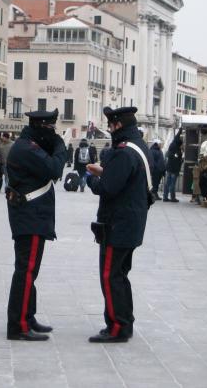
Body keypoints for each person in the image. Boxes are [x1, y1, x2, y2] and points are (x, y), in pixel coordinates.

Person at [86, 107, 151, 343]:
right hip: (131, 222)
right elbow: (127, 178)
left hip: (118, 224)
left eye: (112, 126)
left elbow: (108, 188)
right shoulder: (139, 147)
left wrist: (92, 178)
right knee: (120, 275)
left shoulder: (123, 152)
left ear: (118, 126)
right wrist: (106, 171)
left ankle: (117, 327)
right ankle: (125, 321)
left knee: (110, 275)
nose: (110, 130)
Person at [5, 109, 66, 341]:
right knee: (26, 271)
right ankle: (18, 325)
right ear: (41, 126)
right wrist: (61, 146)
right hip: (29, 217)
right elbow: (54, 168)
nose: (52, 133)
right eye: (50, 128)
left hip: (33, 216)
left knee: (30, 272)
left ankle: (27, 317)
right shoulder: (26, 148)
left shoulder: (30, 144)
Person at [163, 128, 184, 202]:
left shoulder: (171, 146)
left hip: (169, 168)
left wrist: (180, 130)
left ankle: (165, 197)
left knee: (167, 183)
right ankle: (172, 197)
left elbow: (176, 138)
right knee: (172, 184)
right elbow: (178, 161)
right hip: (174, 170)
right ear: (179, 145)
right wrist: (181, 160)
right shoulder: (178, 152)